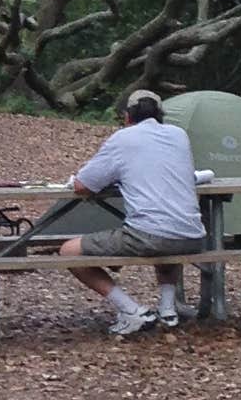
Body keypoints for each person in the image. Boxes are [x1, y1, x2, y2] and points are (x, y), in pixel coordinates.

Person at [58, 88, 205, 336]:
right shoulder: (179, 135)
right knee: (168, 227)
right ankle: (167, 310)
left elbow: (83, 185)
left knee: (68, 251)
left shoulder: (123, 139)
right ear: (161, 115)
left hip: (151, 236)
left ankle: (132, 311)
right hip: (192, 235)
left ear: (127, 116)